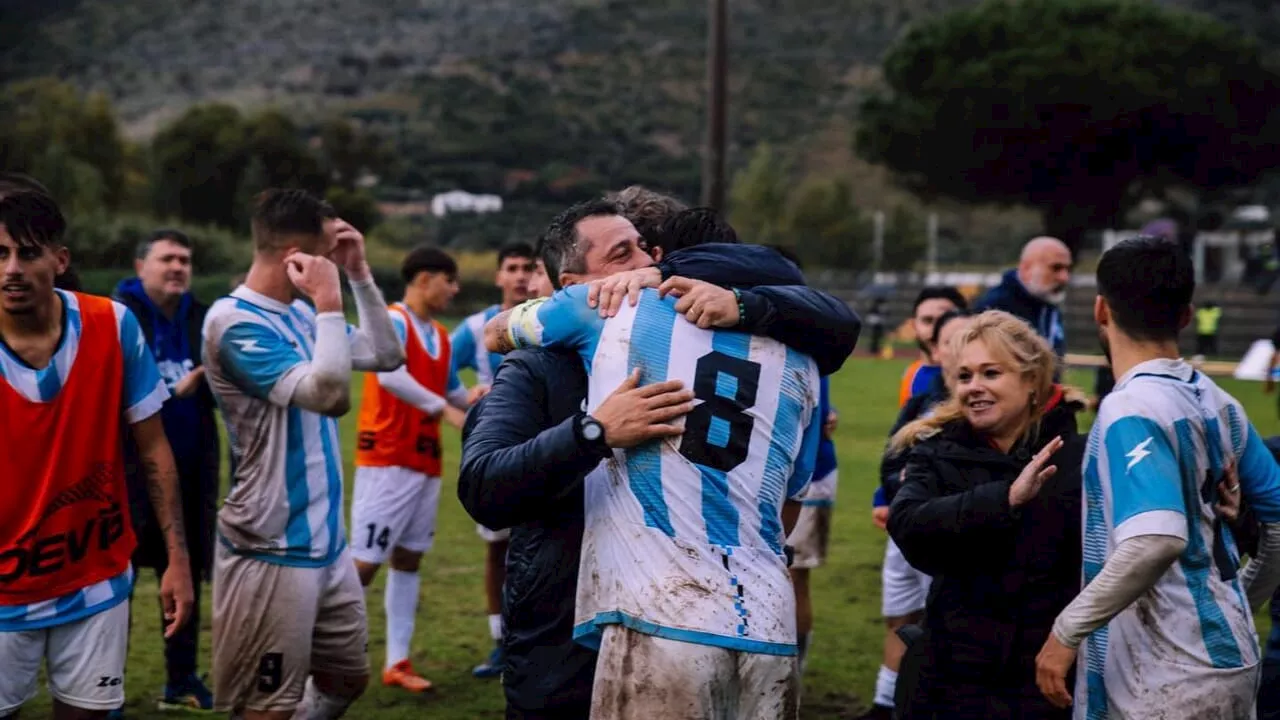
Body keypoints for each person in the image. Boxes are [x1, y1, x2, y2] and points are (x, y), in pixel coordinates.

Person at [460, 199, 859, 719]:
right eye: (624, 253)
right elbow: (787, 510)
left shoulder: (613, 313)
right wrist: (593, 432)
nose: (642, 267)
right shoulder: (798, 353)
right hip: (758, 617)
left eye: (650, 254)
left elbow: (495, 331)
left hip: (653, 613)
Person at [1035, 236, 1280, 718]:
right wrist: (1239, 605)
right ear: (1186, 316)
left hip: (1166, 672)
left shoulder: (1132, 408)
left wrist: (1064, 633)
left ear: (1101, 310)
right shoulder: (1219, 401)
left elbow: (1155, 538)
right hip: (1226, 657)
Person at [202, 189, 404, 719]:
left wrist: (358, 274)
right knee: (266, 707)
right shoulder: (233, 322)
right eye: (328, 251)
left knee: (345, 679)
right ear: (296, 255)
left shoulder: (299, 316)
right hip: (269, 545)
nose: (333, 261)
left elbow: (387, 353)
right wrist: (330, 302)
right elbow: (330, 396)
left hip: (325, 542)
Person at [0, 186, 195, 718]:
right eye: (0, 254)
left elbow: (154, 447)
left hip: (96, 578)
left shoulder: (112, 325)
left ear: (59, 260)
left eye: (28, 252)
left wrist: (177, 560)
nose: (12, 269)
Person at [887, 310, 1087, 719]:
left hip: (1046, 683)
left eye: (990, 373)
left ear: (1031, 380)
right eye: (964, 377)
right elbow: (908, 526)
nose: (974, 387)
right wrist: (1005, 499)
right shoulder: (936, 450)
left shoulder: (1083, 457)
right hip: (950, 678)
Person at [350, 246, 472, 693]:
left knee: (408, 557)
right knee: (364, 561)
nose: (455, 289)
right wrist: (445, 410)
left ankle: (396, 661)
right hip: (387, 456)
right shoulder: (393, 322)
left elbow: (454, 389)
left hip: (424, 459)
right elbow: (389, 377)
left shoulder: (441, 334)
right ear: (424, 279)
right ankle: (317, 653)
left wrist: (480, 401)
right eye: (449, 280)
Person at [112, 229, 220, 713]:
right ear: (141, 267)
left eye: (185, 260)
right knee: (119, 583)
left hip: (192, 474)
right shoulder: (116, 318)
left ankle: (181, 679)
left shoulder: (203, 318)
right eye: (167, 259)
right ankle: (103, 681)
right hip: (128, 478)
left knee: (185, 577)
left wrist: (210, 380)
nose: (178, 267)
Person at [864, 287, 964, 720]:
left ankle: (927, 702)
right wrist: (889, 490)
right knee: (898, 617)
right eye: (949, 343)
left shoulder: (980, 409)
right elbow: (892, 452)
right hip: (903, 529)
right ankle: (885, 702)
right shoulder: (921, 400)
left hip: (943, 533)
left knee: (937, 622)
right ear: (936, 350)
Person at [449, 242, 536, 677]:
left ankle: (536, 643)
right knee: (497, 549)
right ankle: (500, 642)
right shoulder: (474, 326)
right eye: (512, 268)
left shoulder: (549, 318)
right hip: (498, 453)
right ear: (499, 276)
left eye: (528, 268)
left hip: (546, 448)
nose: (520, 276)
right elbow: (437, 366)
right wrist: (462, 402)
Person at [974, 236, 1072, 362]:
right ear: (1026, 268)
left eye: (1067, 269)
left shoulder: (1048, 304)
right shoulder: (995, 308)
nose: (1064, 277)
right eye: (1056, 268)